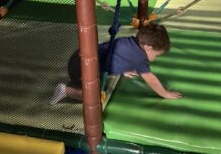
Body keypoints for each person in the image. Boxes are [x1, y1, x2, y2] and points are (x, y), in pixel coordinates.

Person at [50, 23, 182, 105]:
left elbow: (116, 54)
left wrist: (124, 69)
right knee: (94, 98)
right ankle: (66, 91)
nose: (155, 58)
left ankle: (77, 83)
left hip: (77, 58)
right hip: (81, 69)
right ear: (148, 47)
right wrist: (164, 93)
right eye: (156, 55)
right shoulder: (139, 57)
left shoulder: (129, 41)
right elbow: (151, 80)